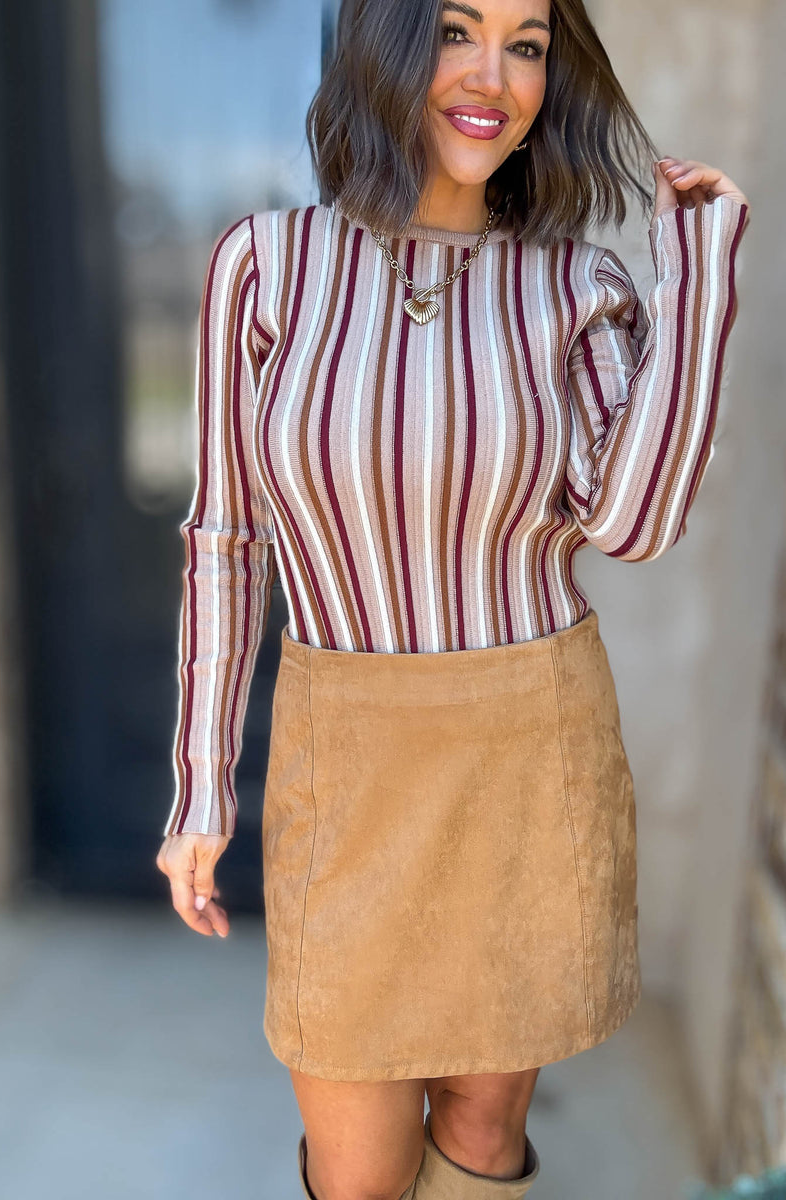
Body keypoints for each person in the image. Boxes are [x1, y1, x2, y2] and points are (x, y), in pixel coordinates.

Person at [155, 0, 751, 1196]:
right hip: (352, 761)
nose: (493, 75)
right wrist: (200, 787)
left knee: (482, 1137)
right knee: (360, 1170)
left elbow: (630, 525)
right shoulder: (265, 267)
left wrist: (695, 276)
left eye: (525, 43)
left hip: (528, 753)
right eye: (454, 30)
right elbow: (225, 538)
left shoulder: (573, 286)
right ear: (386, 44)